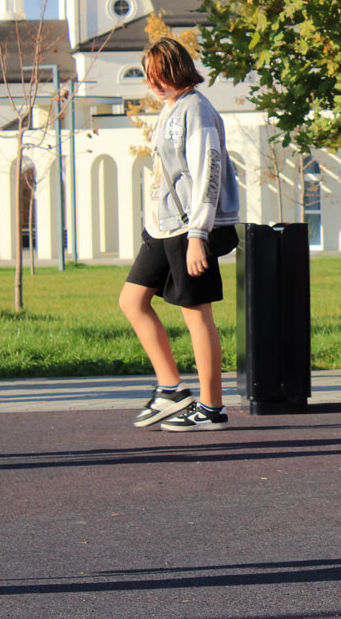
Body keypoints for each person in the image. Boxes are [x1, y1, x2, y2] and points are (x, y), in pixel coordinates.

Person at [119, 37, 241, 432]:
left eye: (161, 76)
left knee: (196, 315)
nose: (154, 85)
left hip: (190, 227)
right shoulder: (170, 107)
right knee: (132, 301)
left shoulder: (196, 111)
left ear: (179, 71)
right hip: (163, 227)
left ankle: (211, 408)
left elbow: (208, 174)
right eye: (149, 78)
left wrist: (197, 235)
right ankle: (172, 389)